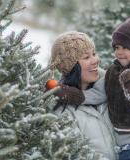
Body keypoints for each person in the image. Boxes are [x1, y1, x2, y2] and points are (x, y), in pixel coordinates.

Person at [58, 11, 130, 160]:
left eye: (125, 47)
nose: (119, 52)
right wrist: (75, 95)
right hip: (124, 147)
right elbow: (99, 94)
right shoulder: (112, 73)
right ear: (71, 66)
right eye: (116, 47)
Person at [49, 31, 117, 160]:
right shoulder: (63, 111)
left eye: (94, 54)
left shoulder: (111, 90)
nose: (96, 60)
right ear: (71, 67)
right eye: (86, 57)